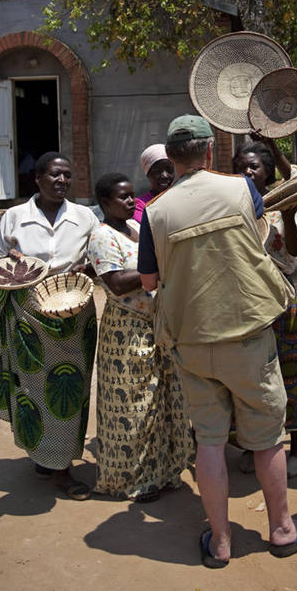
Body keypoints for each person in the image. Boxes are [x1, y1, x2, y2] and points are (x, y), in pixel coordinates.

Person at [138, 115, 297, 567]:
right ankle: (283, 530)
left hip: (190, 341)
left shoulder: (157, 211)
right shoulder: (241, 190)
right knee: (266, 439)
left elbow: (149, 279)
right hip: (247, 335)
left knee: (209, 441)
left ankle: (220, 542)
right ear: (208, 152)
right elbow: (259, 234)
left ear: (172, 158)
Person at [0, 152, 99, 500]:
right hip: (28, 316)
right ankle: (48, 457)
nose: (61, 181)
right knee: (31, 387)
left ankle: (58, 461)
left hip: (73, 315)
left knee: (69, 388)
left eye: (66, 175)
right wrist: (11, 260)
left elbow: (98, 257)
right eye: (54, 175)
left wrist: (85, 271)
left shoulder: (85, 217)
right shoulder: (15, 217)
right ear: (38, 179)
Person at [87, 172, 194, 502]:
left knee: (159, 402)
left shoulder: (134, 229)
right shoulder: (101, 237)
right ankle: (133, 479)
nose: (131, 201)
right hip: (126, 334)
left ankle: (162, 471)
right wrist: (159, 267)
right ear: (105, 202)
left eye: (132, 195)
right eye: (122, 197)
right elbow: (117, 283)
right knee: (133, 406)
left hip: (155, 326)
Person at [232, 140, 297, 478]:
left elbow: (295, 251)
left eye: (254, 166)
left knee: (289, 370)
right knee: (249, 374)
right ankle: (256, 443)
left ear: (267, 171)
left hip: (281, 299)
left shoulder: (283, 206)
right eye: (241, 166)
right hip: (243, 301)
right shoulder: (231, 205)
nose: (247, 171)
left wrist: (292, 212)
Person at [133, 144, 175, 222]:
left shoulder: (182, 196)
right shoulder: (140, 205)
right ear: (148, 174)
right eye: (158, 171)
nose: (165, 176)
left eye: (169, 169)